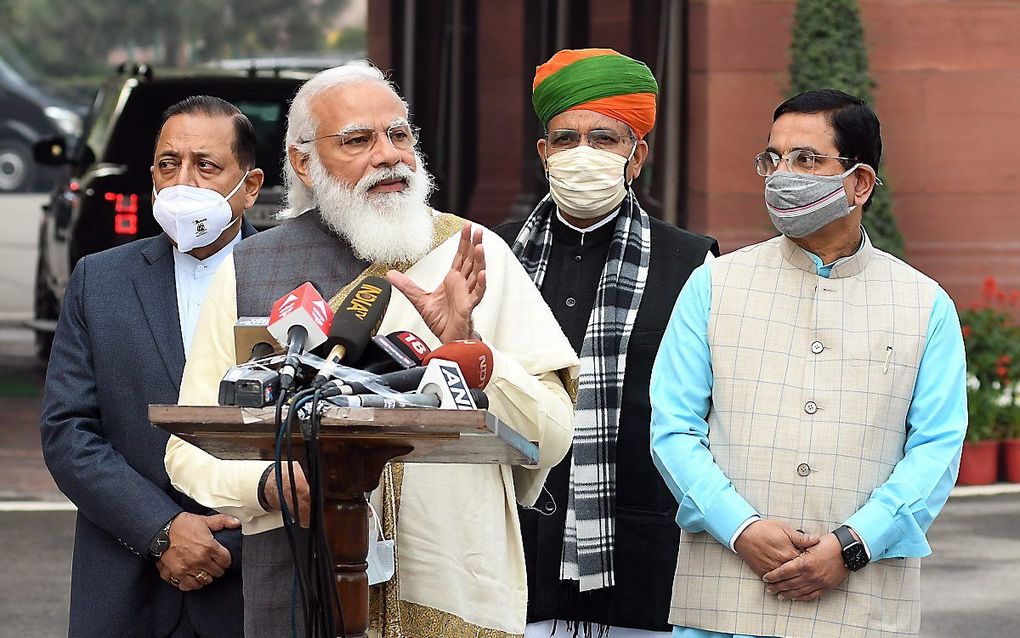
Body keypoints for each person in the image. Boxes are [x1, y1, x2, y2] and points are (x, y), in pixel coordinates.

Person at [162, 63, 579, 638]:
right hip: (297, 586)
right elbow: (188, 446)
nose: (389, 156)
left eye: (399, 135)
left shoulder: (474, 255)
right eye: (358, 140)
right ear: (304, 162)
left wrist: (472, 354)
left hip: (452, 594)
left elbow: (553, 435)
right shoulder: (251, 270)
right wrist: (266, 486)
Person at [649, 89, 967, 638]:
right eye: (772, 159)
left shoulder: (924, 303)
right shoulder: (714, 284)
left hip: (863, 604)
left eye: (805, 160)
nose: (781, 175)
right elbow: (672, 430)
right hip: (725, 596)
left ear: (860, 182)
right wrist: (740, 527)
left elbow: (936, 449)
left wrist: (853, 545)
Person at [494, 48, 718, 637]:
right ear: (543, 153)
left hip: (636, 559)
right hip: (513, 551)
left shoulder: (692, 262)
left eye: (605, 139)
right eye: (566, 139)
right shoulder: (489, 257)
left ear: (637, 156)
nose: (582, 155)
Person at [40, 95, 264, 636]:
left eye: (205, 166)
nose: (183, 181)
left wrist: (222, 541)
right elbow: (68, 430)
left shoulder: (294, 286)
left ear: (250, 186)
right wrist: (161, 529)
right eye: (169, 164)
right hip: (125, 581)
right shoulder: (100, 280)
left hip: (252, 582)